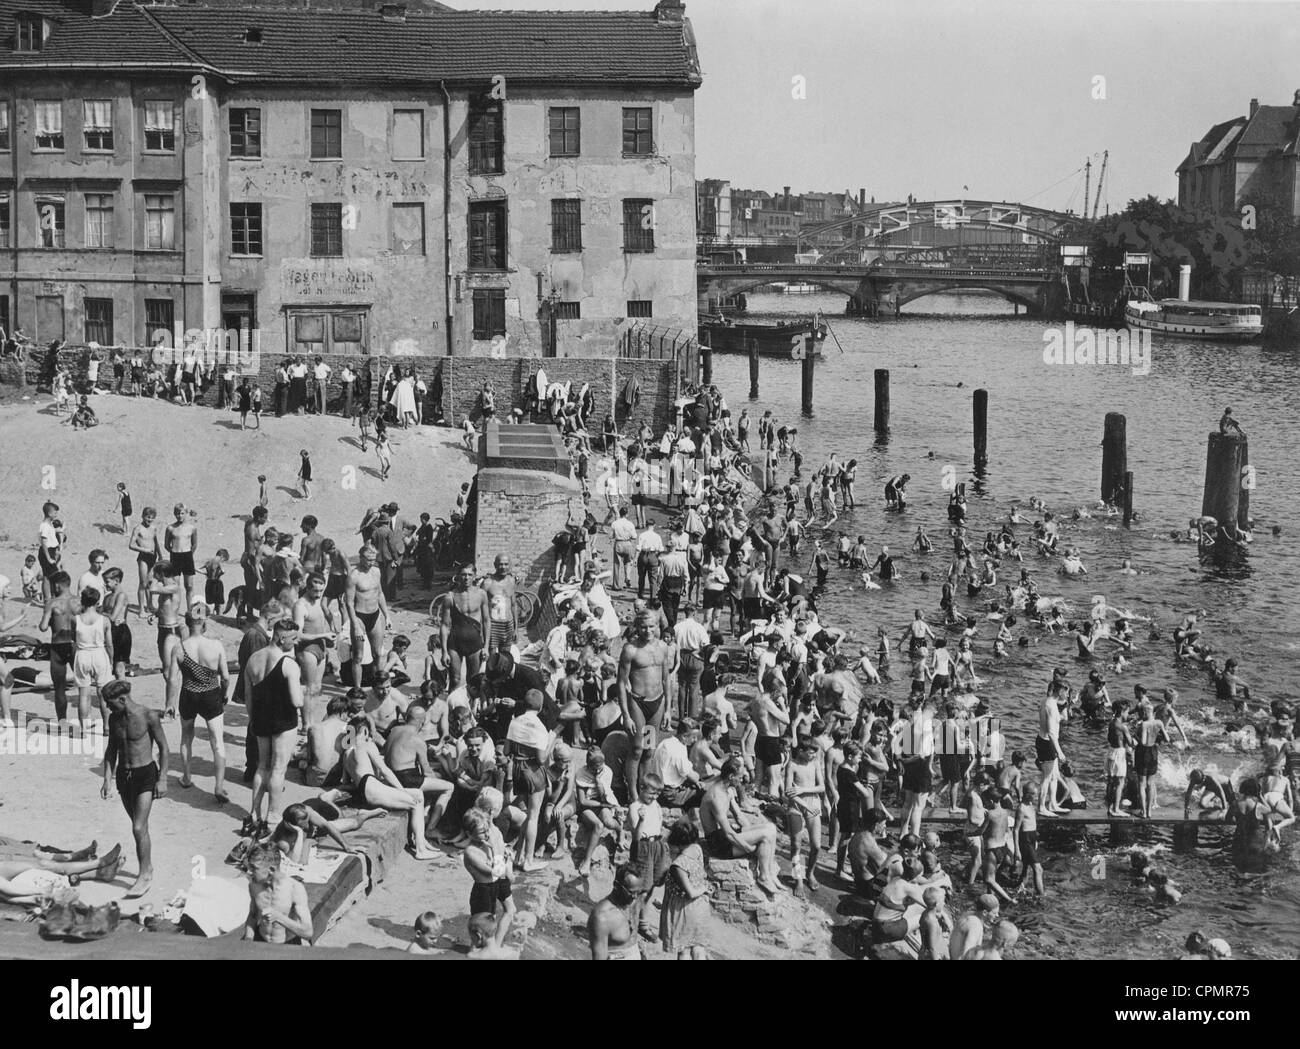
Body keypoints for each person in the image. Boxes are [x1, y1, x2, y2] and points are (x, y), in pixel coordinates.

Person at [100, 680, 168, 898]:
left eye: (110, 704)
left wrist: (163, 778)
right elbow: (111, 750)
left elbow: (164, 748)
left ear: (122, 699)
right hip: (124, 776)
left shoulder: (148, 715)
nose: (108, 708)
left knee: (138, 828)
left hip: (145, 774)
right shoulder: (114, 719)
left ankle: (145, 874)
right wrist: (107, 779)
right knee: (140, 827)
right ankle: (147, 866)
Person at [242, 619, 305, 833]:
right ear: (281, 637)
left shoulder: (253, 659)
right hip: (283, 721)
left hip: (260, 719)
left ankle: (253, 813)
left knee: (262, 766)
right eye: (293, 639)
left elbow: (248, 697)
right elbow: (297, 701)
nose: (295, 643)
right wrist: (304, 692)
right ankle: (273, 818)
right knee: (279, 769)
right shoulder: (289, 664)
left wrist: (252, 720)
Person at [165, 604, 230, 804]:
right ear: (205, 623)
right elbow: (226, 677)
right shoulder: (216, 646)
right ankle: (218, 786)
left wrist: (170, 703)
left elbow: (172, 678)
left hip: (188, 694)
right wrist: (224, 695)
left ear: (187, 621)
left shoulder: (179, 647)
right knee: (217, 741)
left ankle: (186, 777)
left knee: (186, 737)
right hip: (211, 694)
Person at [700, 759, 781, 894]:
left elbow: (739, 816)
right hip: (718, 843)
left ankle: (771, 873)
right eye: (740, 777)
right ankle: (764, 877)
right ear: (731, 777)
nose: (743, 780)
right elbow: (729, 834)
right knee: (766, 836)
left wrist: (752, 834)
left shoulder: (728, 790)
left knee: (770, 828)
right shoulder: (715, 796)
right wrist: (748, 847)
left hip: (726, 835)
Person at [242, 843, 313, 945]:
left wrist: (279, 917)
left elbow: (308, 932)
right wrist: (248, 940)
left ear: (271, 870)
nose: (250, 872)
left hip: (288, 945)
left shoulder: (295, 889)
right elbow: (253, 916)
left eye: (254, 868)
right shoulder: (254, 886)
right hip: (262, 941)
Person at [659, 820, 709, 959]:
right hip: (700, 907)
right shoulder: (696, 848)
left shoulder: (678, 866)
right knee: (698, 947)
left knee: (684, 950)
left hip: (684, 909)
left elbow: (691, 893)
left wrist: (704, 888)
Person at [71, 585, 113, 734]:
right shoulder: (104, 620)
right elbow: (109, 644)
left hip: (82, 653)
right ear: (97, 601)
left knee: (84, 694)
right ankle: (107, 727)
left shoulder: (76, 619)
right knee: (103, 694)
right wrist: (111, 659)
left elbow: (73, 639)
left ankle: (83, 729)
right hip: (99, 653)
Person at [441, 564, 490, 688]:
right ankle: (452, 707)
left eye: (469, 575)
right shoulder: (450, 597)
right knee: (455, 680)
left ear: (474, 576)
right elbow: (445, 626)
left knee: (473, 681)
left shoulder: (481, 594)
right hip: (455, 644)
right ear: (457, 576)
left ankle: (469, 707)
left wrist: (486, 646)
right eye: (463, 574)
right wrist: (444, 651)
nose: (466, 578)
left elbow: (486, 621)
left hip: (475, 643)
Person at [588, 865, 646, 961]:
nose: (635, 896)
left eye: (638, 892)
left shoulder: (634, 900)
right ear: (616, 885)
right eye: (631, 892)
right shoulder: (601, 918)